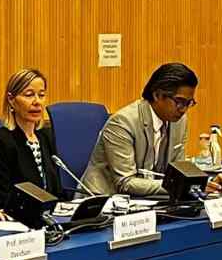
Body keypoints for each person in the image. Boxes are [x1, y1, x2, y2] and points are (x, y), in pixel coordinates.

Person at [81, 62, 215, 197]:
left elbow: (179, 172)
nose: (183, 109)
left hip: (147, 202)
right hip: (103, 202)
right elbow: (125, 182)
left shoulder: (179, 122)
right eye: (179, 101)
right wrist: (178, 185)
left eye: (189, 103)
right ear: (157, 95)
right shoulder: (123, 122)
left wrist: (203, 183)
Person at [0, 68, 69, 211]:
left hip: (49, 219)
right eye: (29, 95)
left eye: (41, 95)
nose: (37, 102)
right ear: (11, 100)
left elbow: (56, 191)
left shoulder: (45, 137)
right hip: (18, 224)